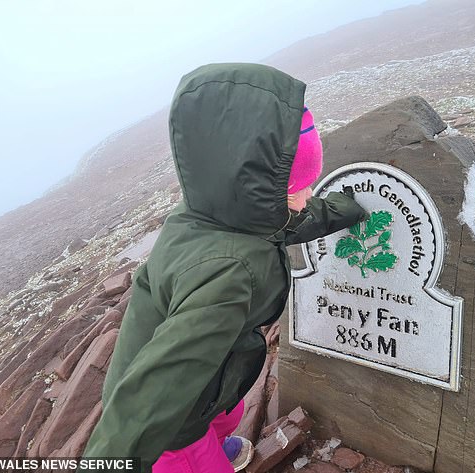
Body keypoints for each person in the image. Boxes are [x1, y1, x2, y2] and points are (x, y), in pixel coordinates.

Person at [79, 63, 367, 473]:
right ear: (254, 189)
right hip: (173, 426)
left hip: (212, 384)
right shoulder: (227, 272)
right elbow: (155, 391)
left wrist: (347, 209)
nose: (305, 196)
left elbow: (294, 218)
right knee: (197, 456)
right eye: (294, 188)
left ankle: (218, 438)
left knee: (225, 415)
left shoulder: (228, 213)